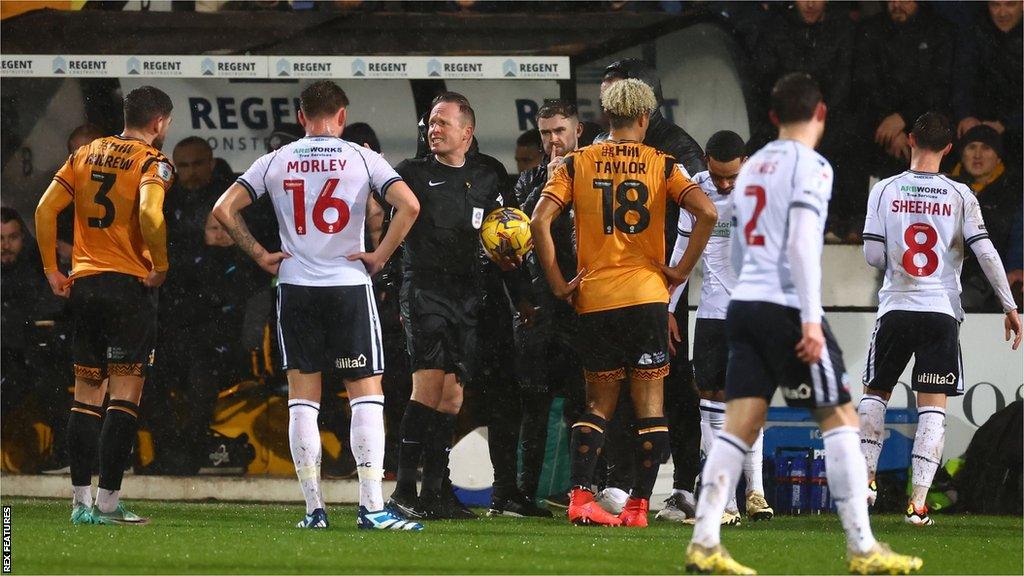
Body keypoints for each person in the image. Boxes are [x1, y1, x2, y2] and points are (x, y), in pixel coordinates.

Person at [684, 73, 922, 575]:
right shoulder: (812, 167)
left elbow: (740, 244)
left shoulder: (752, 170)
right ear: (821, 115)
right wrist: (811, 320)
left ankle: (705, 540)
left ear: (771, 118)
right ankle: (863, 548)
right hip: (785, 306)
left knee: (740, 421)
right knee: (839, 418)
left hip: (743, 305)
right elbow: (802, 245)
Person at [213, 80, 422, 531]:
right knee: (365, 395)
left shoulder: (276, 160)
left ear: (301, 117)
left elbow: (224, 208)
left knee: (302, 401)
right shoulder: (362, 157)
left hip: (296, 288)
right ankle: (371, 508)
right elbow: (408, 205)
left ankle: (314, 511)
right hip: (348, 284)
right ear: (342, 117)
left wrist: (258, 254)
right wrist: (379, 256)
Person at [532, 79, 717, 527]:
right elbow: (707, 213)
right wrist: (680, 271)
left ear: (605, 118)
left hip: (595, 298)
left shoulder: (576, 163)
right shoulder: (663, 163)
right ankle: (638, 507)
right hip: (647, 295)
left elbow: (539, 221)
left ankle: (579, 498)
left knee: (598, 404)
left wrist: (558, 282)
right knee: (652, 405)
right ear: (644, 118)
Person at [858, 112, 1021, 526]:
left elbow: (873, 255)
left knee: (875, 394)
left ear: (911, 139)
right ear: (950, 149)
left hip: (896, 305)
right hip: (940, 311)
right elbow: (985, 252)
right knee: (933, 409)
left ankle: (866, 482)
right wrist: (1009, 306)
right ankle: (917, 505)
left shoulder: (884, 190)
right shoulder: (960, 193)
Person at [35, 85, 175, 525]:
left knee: (85, 397)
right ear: (159, 123)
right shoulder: (153, 161)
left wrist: (52, 272)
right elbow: (151, 216)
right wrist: (161, 265)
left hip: (86, 288)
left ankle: (79, 502)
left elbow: (43, 210)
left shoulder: (87, 152)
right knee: (124, 397)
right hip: (128, 289)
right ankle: (109, 503)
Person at [387, 92, 516, 520]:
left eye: (443, 122)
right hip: (424, 291)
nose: (434, 129)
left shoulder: (488, 176)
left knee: (453, 398)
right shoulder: (410, 174)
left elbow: (503, 229)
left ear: (468, 131)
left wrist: (508, 256)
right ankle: (404, 490)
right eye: (431, 122)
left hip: (468, 295)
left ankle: (436, 491)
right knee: (426, 388)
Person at [594, 57, 707, 517]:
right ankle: (619, 484)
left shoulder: (677, 149)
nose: (609, 108)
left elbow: (701, 216)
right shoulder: (606, 143)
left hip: (659, 291)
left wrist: (673, 286)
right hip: (614, 287)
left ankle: (682, 486)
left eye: (616, 95)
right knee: (617, 383)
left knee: (675, 385)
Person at [659, 131, 772, 525]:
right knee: (711, 402)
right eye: (719, 176)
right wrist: (668, 308)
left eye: (732, 177)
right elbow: (682, 252)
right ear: (706, 160)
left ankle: (753, 490)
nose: (724, 184)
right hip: (710, 315)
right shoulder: (695, 192)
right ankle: (729, 501)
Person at [505, 99, 586, 516]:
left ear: (578, 132)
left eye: (560, 131)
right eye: (545, 133)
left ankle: (584, 491)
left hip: (583, 304)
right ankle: (522, 495)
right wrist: (548, 184)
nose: (553, 140)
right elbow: (518, 229)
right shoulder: (528, 182)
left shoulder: (595, 175)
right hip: (538, 308)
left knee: (585, 405)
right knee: (533, 405)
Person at [948, 125, 1023, 311]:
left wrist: (1017, 266)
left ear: (998, 157)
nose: (978, 155)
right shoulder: (945, 188)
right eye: (972, 147)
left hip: (996, 275)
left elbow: (1019, 234)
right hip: (951, 276)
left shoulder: (1015, 191)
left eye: (986, 148)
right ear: (962, 153)